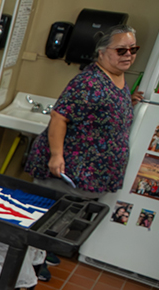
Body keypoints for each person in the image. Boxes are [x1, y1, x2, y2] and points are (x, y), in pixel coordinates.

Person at [25, 25, 144, 198]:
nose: (128, 54)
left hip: (95, 177)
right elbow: (59, 117)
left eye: (133, 49)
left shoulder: (117, 76)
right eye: (121, 50)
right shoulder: (88, 82)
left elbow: (100, 112)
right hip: (69, 174)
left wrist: (127, 103)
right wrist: (56, 155)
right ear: (102, 52)